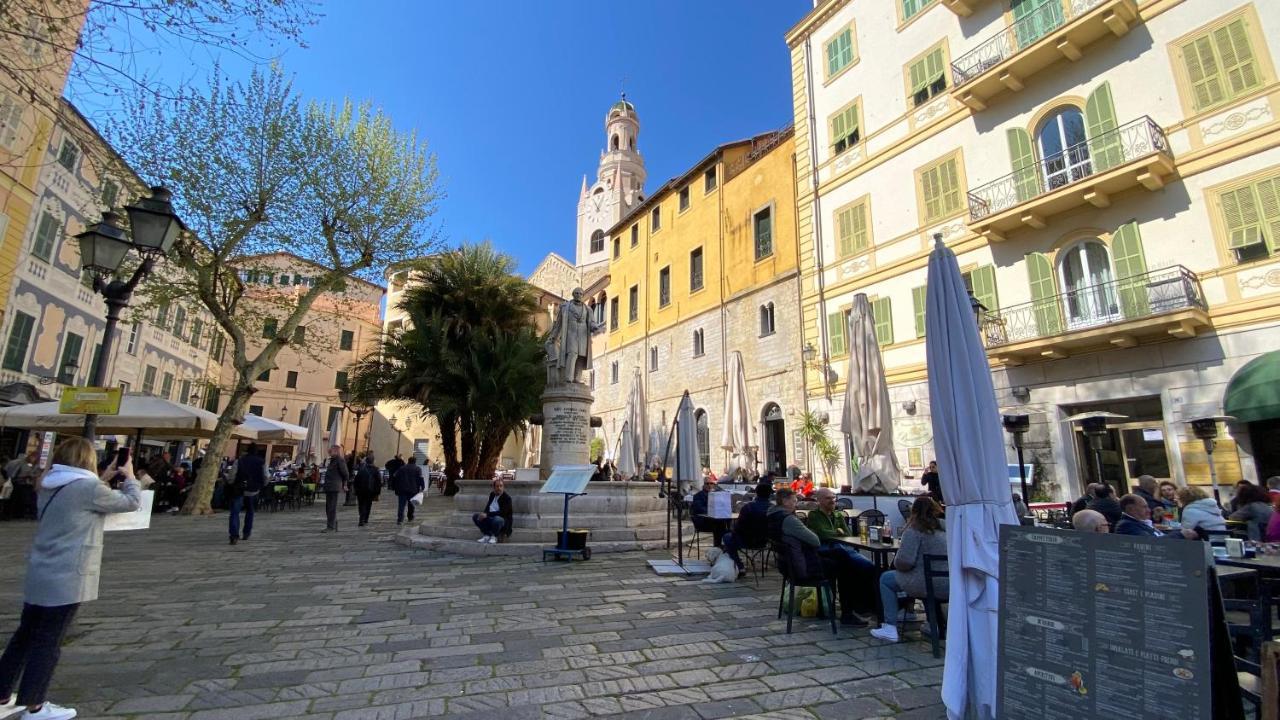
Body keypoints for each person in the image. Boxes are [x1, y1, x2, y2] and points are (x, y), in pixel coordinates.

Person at [0, 437, 145, 720]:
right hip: (68, 573)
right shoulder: (87, 488)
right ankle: (35, 706)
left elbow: (83, 493)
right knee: (49, 641)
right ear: (87, 459)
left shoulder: (48, 483)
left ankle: (3, 693)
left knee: (25, 636)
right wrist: (129, 477)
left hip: (41, 569)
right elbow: (131, 502)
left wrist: (104, 476)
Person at [768, 488, 864, 625]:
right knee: (844, 563)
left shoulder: (771, 516)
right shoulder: (788, 520)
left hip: (788, 565)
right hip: (803, 567)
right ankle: (847, 612)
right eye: (794, 501)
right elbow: (815, 540)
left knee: (840, 555)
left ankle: (829, 608)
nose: (796, 504)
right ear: (784, 501)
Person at [870, 496, 948, 643]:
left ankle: (890, 627)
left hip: (925, 584)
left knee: (886, 579)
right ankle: (934, 624)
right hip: (949, 584)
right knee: (921, 578)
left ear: (914, 511)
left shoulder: (914, 530)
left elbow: (904, 562)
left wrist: (898, 564)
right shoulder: (947, 530)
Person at [804, 488, 876, 626]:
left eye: (833, 497)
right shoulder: (814, 515)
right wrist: (838, 532)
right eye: (828, 498)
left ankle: (866, 605)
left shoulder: (838, 515)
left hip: (844, 549)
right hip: (828, 551)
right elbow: (822, 534)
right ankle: (854, 609)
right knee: (852, 568)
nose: (832, 500)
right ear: (819, 501)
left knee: (870, 567)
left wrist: (837, 533)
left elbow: (848, 534)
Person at [722, 482, 773, 575]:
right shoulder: (773, 508)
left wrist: (733, 531)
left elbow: (739, 527)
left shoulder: (748, 507)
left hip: (747, 541)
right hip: (766, 541)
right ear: (770, 494)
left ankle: (739, 565)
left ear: (756, 493)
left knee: (727, 537)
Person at [227, 444, 266, 545]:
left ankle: (234, 535)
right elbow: (266, 476)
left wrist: (231, 482)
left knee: (235, 512)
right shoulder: (261, 462)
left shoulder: (239, 460)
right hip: (254, 490)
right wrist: (261, 485)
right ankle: (246, 533)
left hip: (239, 489)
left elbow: (232, 475)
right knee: (250, 511)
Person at [1114, 494, 1197, 538]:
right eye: (1144, 507)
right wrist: (1181, 534)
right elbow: (1153, 543)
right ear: (1131, 509)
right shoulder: (1126, 525)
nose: (1149, 510)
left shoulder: (1137, 522)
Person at [472, 478, 513, 543]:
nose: (499, 488)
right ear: (494, 487)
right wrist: (484, 514)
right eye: (497, 486)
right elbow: (488, 507)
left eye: (501, 486)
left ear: (503, 487)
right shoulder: (492, 494)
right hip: (490, 518)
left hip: (502, 521)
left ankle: (494, 536)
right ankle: (487, 535)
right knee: (475, 516)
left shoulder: (507, 498)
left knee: (497, 519)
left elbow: (503, 513)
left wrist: (487, 514)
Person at [689, 479, 727, 548]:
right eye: (707, 483)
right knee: (720, 525)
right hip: (702, 522)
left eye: (711, 483)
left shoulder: (717, 494)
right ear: (703, 485)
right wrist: (713, 511)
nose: (709, 485)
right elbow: (699, 509)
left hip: (714, 520)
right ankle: (718, 546)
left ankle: (725, 545)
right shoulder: (698, 496)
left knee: (726, 522)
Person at [322, 445, 349, 533]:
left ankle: (331, 527)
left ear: (336, 451)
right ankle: (333, 524)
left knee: (331, 507)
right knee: (328, 507)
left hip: (334, 487)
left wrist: (344, 484)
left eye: (331, 451)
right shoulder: (333, 460)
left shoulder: (339, 460)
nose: (329, 452)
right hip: (330, 487)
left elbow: (345, 473)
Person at [4, 453, 39, 520]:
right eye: (33, 457)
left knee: (16, 499)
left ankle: (13, 514)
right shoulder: (21, 463)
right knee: (15, 499)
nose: (34, 459)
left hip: (21, 483)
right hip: (18, 483)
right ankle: (12, 514)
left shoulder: (31, 465)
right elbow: (15, 474)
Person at [392, 456, 425, 525]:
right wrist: (423, 487)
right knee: (411, 504)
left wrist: (395, 486)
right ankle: (410, 517)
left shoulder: (402, 468)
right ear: (415, 461)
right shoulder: (417, 469)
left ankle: (400, 519)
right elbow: (421, 478)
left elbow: (395, 476)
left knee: (401, 505)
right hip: (413, 489)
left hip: (402, 489)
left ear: (408, 461)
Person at [354, 455, 380, 527]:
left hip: (361, 490)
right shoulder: (375, 469)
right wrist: (377, 493)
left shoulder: (361, 469)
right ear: (373, 461)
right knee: (368, 504)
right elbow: (378, 482)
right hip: (370, 490)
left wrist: (356, 489)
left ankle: (361, 517)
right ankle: (365, 518)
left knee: (361, 504)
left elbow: (356, 480)